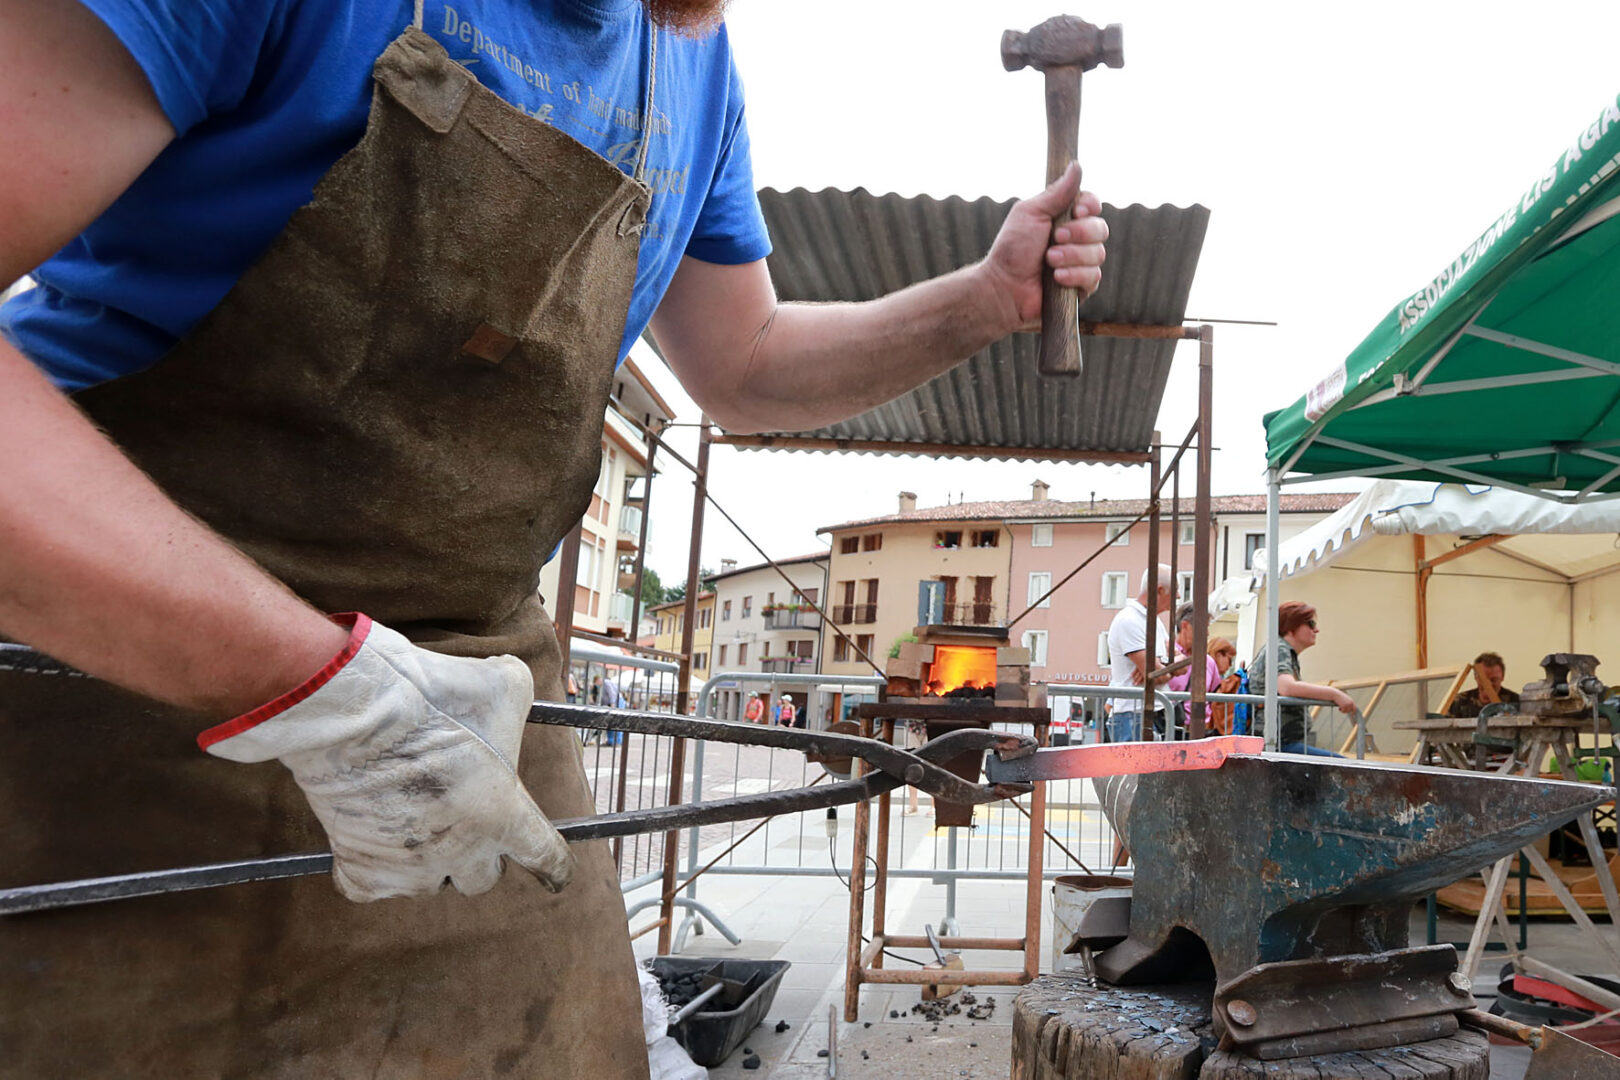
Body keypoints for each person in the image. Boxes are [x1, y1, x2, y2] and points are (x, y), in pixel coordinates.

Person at [0, 1, 1108, 1075]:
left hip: (470, 714)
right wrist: (316, 686)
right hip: (99, 682)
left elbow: (748, 363)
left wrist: (979, 300)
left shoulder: (689, 56)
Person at [1247, 600, 1355, 756]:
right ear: (1291, 628)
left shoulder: (1280, 649)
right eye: (1310, 624)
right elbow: (1287, 687)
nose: (1316, 630)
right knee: (1343, 770)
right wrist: (1334, 693)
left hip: (1278, 742)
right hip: (1276, 744)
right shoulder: (1279, 648)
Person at [1105, 565, 1173, 742]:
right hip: (1132, 714)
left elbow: (1174, 665)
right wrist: (1158, 668)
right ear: (1159, 591)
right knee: (1132, 769)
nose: (1178, 597)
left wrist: (1160, 666)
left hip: (1146, 712)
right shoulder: (1129, 620)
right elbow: (1158, 675)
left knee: (1143, 769)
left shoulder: (1155, 623)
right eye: (1175, 591)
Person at [1167, 601, 1221, 736]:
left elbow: (1216, 697)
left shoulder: (1209, 662)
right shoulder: (1164, 655)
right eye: (1204, 627)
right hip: (1171, 730)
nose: (1208, 633)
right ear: (1185, 626)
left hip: (1202, 732)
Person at [1448, 651, 1522, 718]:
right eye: (1484, 680)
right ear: (1475, 677)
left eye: (1494, 680)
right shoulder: (1459, 701)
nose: (1489, 685)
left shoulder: (1516, 701)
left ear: (1502, 677)